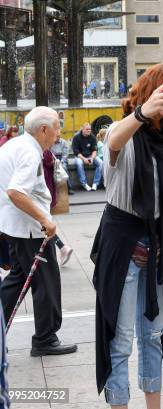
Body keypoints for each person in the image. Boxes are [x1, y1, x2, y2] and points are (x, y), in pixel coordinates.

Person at [91, 63, 163, 408]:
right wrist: (144, 113)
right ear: (147, 93)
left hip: (158, 246)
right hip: (123, 245)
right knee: (120, 339)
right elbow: (114, 140)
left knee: (154, 335)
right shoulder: (124, 131)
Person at [0, 106, 78, 357]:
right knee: (46, 282)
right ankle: (45, 338)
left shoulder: (17, 144)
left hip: (16, 226)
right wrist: (45, 218)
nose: (59, 132)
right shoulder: (29, 152)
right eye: (56, 127)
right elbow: (15, 191)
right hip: (29, 230)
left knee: (17, 280)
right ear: (43, 129)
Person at [72, 122, 103, 191]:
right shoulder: (76, 137)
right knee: (79, 163)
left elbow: (94, 150)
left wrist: (92, 158)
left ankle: (95, 183)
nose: (89, 130)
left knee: (101, 162)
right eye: (87, 129)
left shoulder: (92, 137)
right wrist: (84, 159)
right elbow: (76, 152)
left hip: (90, 155)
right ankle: (84, 183)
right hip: (79, 156)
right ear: (82, 129)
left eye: (90, 129)